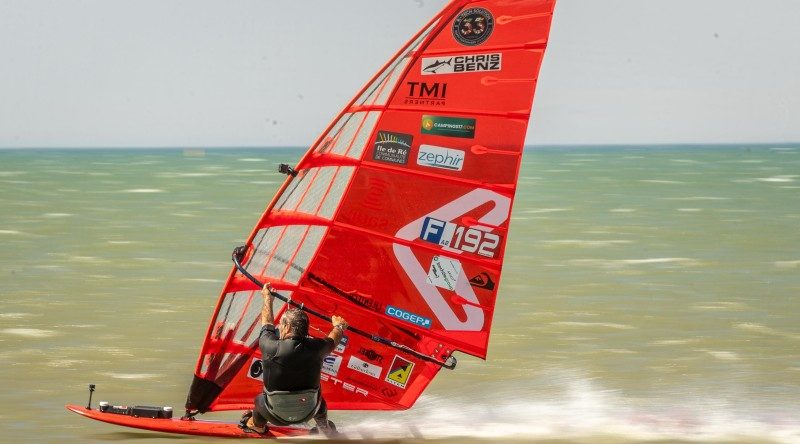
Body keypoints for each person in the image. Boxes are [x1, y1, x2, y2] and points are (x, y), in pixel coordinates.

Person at [242, 283, 347, 436]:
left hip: (275, 416)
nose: (279, 326)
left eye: (281, 324)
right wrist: (339, 326)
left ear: (287, 327)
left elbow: (267, 324)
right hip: (309, 413)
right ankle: (325, 428)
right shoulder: (317, 347)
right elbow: (333, 339)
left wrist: (267, 298)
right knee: (320, 402)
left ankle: (257, 426)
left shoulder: (269, 345)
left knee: (259, 401)